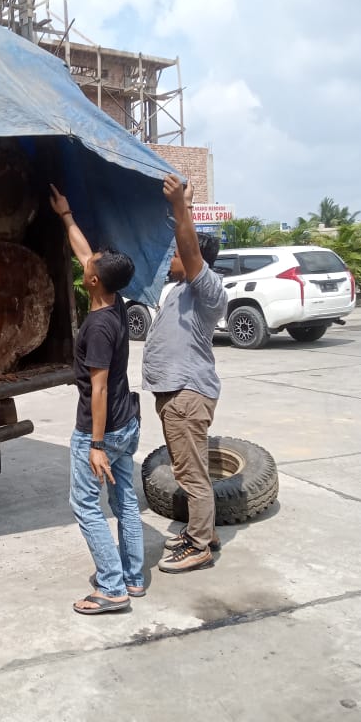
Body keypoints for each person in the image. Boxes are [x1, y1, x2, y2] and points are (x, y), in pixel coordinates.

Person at [49, 184, 144, 616]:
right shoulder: (116, 300)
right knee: (124, 497)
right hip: (128, 422)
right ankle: (133, 577)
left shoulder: (98, 327)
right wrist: (67, 216)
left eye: (90, 265)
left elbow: (99, 388)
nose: (86, 262)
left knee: (85, 504)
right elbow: (86, 253)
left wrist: (97, 445)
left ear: (91, 281)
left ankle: (111, 587)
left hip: (101, 429)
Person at [142, 174, 228, 573]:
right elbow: (186, 248)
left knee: (191, 475)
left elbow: (190, 248)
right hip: (174, 394)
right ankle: (203, 531)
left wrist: (181, 207)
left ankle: (198, 547)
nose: (171, 257)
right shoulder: (178, 289)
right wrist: (184, 206)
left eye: (176, 253)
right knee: (187, 468)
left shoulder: (208, 289)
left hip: (187, 394)